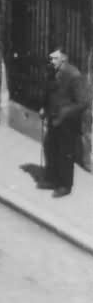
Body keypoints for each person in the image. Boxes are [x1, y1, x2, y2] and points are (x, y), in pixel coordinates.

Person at [43, 47, 92, 197]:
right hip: (54, 117)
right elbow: (49, 92)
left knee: (65, 152)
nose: (51, 61)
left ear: (63, 59)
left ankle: (65, 185)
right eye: (50, 58)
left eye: (54, 58)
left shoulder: (74, 75)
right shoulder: (53, 71)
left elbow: (83, 102)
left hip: (68, 123)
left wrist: (64, 112)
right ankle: (53, 179)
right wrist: (43, 108)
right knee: (51, 147)